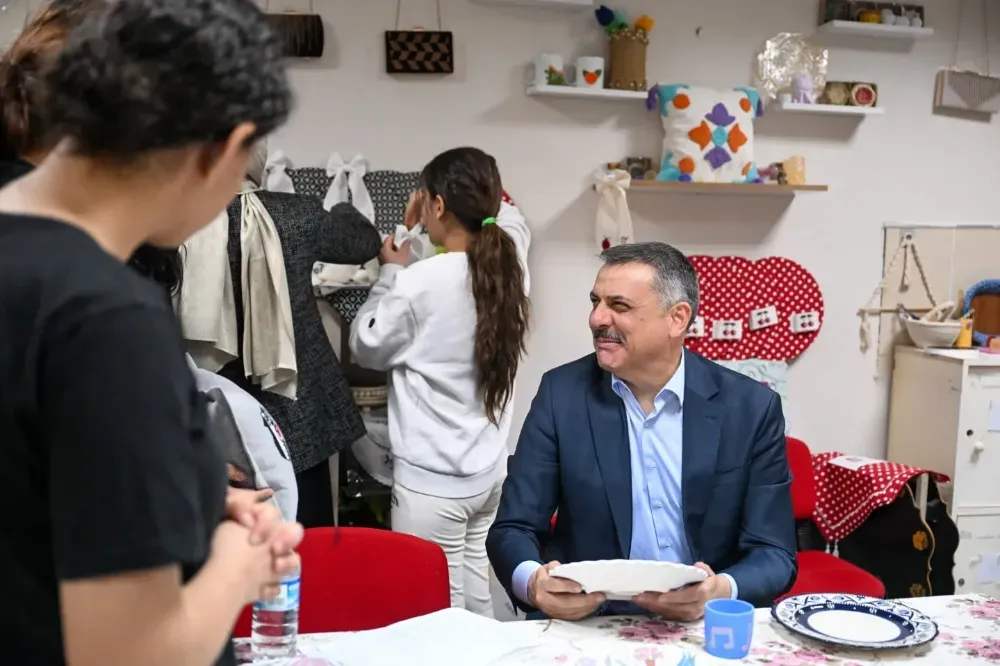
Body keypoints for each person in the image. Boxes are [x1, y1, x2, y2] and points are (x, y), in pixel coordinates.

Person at [0, 0, 303, 664]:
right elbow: (131, 653)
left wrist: (189, 505)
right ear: (221, 149)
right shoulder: (107, 316)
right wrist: (237, 562)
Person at [487, 242, 796, 621]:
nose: (597, 318)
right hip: (588, 619)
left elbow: (775, 553)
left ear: (677, 319)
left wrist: (718, 591)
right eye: (595, 302)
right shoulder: (561, 394)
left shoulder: (750, 407)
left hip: (704, 620)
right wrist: (534, 584)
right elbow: (513, 528)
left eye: (619, 306)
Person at [349, 147, 531, 617]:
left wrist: (392, 268)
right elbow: (510, 217)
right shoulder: (511, 265)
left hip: (433, 487)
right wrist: (443, 204)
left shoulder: (420, 280)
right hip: (489, 475)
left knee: (430, 615)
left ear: (438, 204)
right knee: (476, 604)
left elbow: (366, 344)